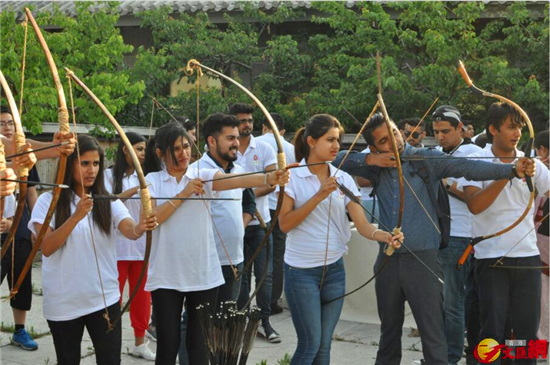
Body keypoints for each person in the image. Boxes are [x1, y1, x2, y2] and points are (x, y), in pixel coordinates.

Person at [334, 112, 535, 365]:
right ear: (374, 146)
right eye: (384, 141)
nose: (394, 142)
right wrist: (372, 158)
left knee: (433, 335)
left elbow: (468, 168)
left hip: (424, 260)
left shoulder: (423, 158)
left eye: (395, 133)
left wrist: (510, 170)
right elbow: (337, 160)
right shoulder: (374, 166)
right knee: (388, 334)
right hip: (388, 261)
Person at [143, 121, 289, 364]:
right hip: (167, 274)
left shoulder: (203, 175)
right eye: (176, 149)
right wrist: (184, 193)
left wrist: (268, 176)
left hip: (203, 273)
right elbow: (152, 220)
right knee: (167, 345)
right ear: (160, 153)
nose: (184, 154)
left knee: (200, 345)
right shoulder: (152, 181)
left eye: (186, 147)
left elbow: (235, 180)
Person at [279, 114, 402, 365]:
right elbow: (285, 224)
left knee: (324, 347)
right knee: (310, 343)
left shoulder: (344, 179)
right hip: (301, 272)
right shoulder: (293, 176)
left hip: (334, 271)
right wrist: (318, 195)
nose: (336, 146)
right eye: (330, 140)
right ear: (311, 141)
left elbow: (364, 225)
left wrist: (385, 236)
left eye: (338, 140)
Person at [28, 135, 157, 365]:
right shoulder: (48, 201)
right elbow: (46, 247)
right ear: (70, 165)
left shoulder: (105, 199)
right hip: (64, 301)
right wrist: (76, 216)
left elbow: (129, 228)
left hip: (103, 299)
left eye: (96, 163)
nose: (91, 170)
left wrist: (141, 227)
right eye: (84, 163)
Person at [461, 103, 549, 365]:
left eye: (520, 127)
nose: (518, 133)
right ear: (493, 129)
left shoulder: (531, 163)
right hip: (491, 259)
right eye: (511, 126)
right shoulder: (477, 161)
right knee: (491, 334)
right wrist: (509, 173)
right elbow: (475, 205)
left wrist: (525, 168)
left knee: (526, 337)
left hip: (528, 258)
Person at [432, 105, 481, 365]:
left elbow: (476, 198)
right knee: (445, 300)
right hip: (442, 234)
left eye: (446, 131)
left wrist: (445, 183)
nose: (440, 137)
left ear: (460, 128)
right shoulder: (438, 153)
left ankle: (450, 357)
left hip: (462, 234)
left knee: (454, 301)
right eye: (436, 131)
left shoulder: (474, 153)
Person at [229, 103, 281, 343]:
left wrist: (244, 193)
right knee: (240, 274)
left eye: (249, 120)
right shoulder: (228, 149)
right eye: (241, 121)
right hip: (236, 223)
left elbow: (272, 182)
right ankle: (239, 321)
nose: (247, 124)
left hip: (260, 223)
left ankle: (264, 321)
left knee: (264, 274)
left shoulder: (265, 147)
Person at [104, 132, 155, 361]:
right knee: (113, 299)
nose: (143, 154)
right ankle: (109, 340)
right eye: (138, 149)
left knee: (142, 298)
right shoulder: (106, 176)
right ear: (125, 150)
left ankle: (139, 343)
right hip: (115, 248)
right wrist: (137, 189)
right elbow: (108, 203)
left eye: (144, 149)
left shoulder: (147, 177)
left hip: (140, 247)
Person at [0, 107, 41, 351]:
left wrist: (37, 224)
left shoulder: (25, 155)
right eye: (2, 123)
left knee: (21, 281)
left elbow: (32, 190)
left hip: (20, 229)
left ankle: (20, 330)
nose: (7, 127)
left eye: (10, 123)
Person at [256, 112, 296, 315]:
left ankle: (257, 300)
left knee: (260, 256)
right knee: (278, 255)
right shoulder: (290, 147)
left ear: (264, 127)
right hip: (282, 205)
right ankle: (272, 300)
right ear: (282, 131)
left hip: (261, 206)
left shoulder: (255, 143)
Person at [534, 129, 549, 344]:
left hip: (541, 241)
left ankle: (538, 348)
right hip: (541, 239)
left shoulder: (538, 170)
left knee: (542, 301)